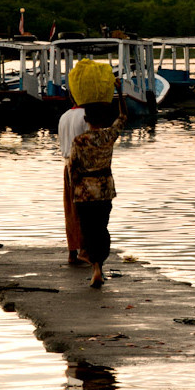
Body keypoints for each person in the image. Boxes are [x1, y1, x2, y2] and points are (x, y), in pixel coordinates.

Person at [68, 80, 127, 288]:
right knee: (101, 228)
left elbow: (72, 168)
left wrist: (74, 191)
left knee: (88, 229)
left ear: (86, 120)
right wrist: (119, 92)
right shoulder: (108, 136)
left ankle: (95, 268)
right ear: (102, 120)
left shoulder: (79, 141)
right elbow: (123, 117)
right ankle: (99, 267)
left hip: (84, 192)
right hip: (104, 189)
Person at [58, 99, 89, 265]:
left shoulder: (64, 117)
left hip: (66, 164)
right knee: (86, 210)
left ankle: (72, 251)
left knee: (70, 209)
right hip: (83, 167)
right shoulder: (86, 116)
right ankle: (84, 249)